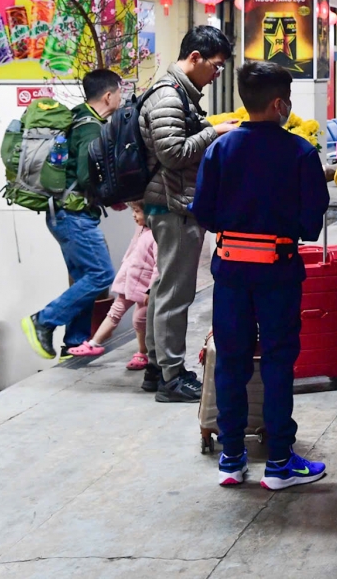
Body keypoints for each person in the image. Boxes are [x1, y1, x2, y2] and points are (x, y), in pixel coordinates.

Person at [190, 61, 331, 490]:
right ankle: (279, 462)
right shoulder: (300, 153)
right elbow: (311, 222)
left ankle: (232, 458)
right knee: (277, 361)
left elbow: (203, 211)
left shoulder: (220, 148)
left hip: (231, 272)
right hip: (278, 273)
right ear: (277, 104)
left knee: (231, 360)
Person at [139, 25, 238, 402]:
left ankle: (156, 367)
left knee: (164, 286)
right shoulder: (169, 96)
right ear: (194, 58)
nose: (217, 74)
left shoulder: (178, 92)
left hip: (171, 202)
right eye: (216, 66)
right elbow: (173, 153)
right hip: (174, 205)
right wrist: (215, 132)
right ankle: (172, 376)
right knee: (175, 292)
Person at [21, 69, 123, 362]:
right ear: (108, 95)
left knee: (84, 276)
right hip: (73, 215)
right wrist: (112, 194)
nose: (121, 97)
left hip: (64, 213)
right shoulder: (91, 128)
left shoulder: (79, 116)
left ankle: (73, 344)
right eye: (120, 92)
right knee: (101, 274)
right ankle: (43, 320)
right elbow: (86, 175)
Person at [66, 202, 155, 366]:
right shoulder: (140, 230)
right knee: (114, 312)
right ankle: (93, 344)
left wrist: (151, 289)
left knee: (139, 320)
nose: (133, 215)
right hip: (129, 282)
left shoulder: (156, 235)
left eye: (137, 211)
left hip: (145, 287)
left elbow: (159, 265)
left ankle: (143, 352)